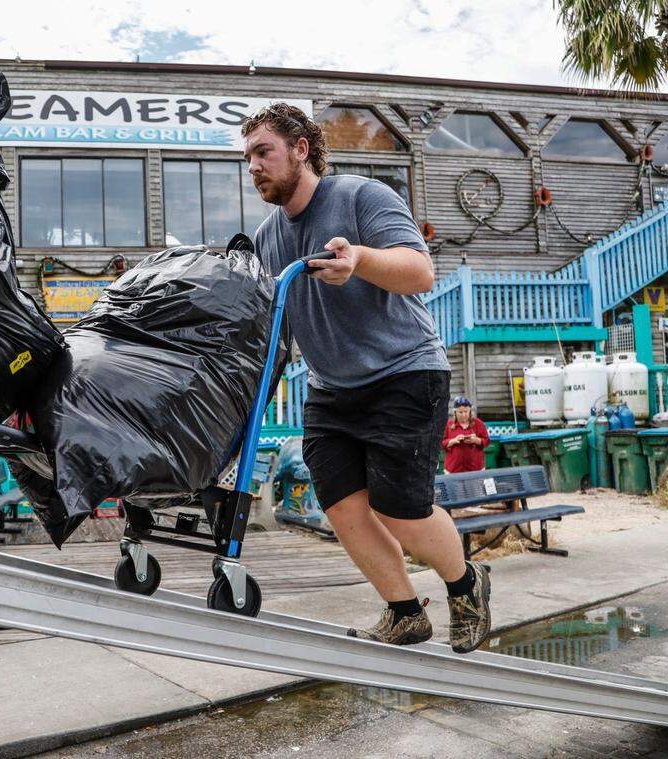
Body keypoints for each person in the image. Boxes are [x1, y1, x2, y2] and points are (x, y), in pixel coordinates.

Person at [242, 104, 491, 653]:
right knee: (340, 505)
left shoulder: (360, 197)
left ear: (301, 149)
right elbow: (276, 328)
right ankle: (405, 612)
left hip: (405, 373)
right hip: (331, 388)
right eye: (248, 158)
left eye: (264, 152)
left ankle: (468, 586)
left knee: (399, 508)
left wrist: (359, 259)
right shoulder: (266, 236)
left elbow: (420, 271)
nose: (254, 166)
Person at [442, 397, 491, 473]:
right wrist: (453, 441)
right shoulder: (448, 425)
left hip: (475, 469)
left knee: (475, 485)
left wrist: (476, 440)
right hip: (453, 469)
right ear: (455, 412)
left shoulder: (479, 424)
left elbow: (487, 441)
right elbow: (440, 443)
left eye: (466, 411)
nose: (463, 415)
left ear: (470, 411)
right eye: (460, 412)